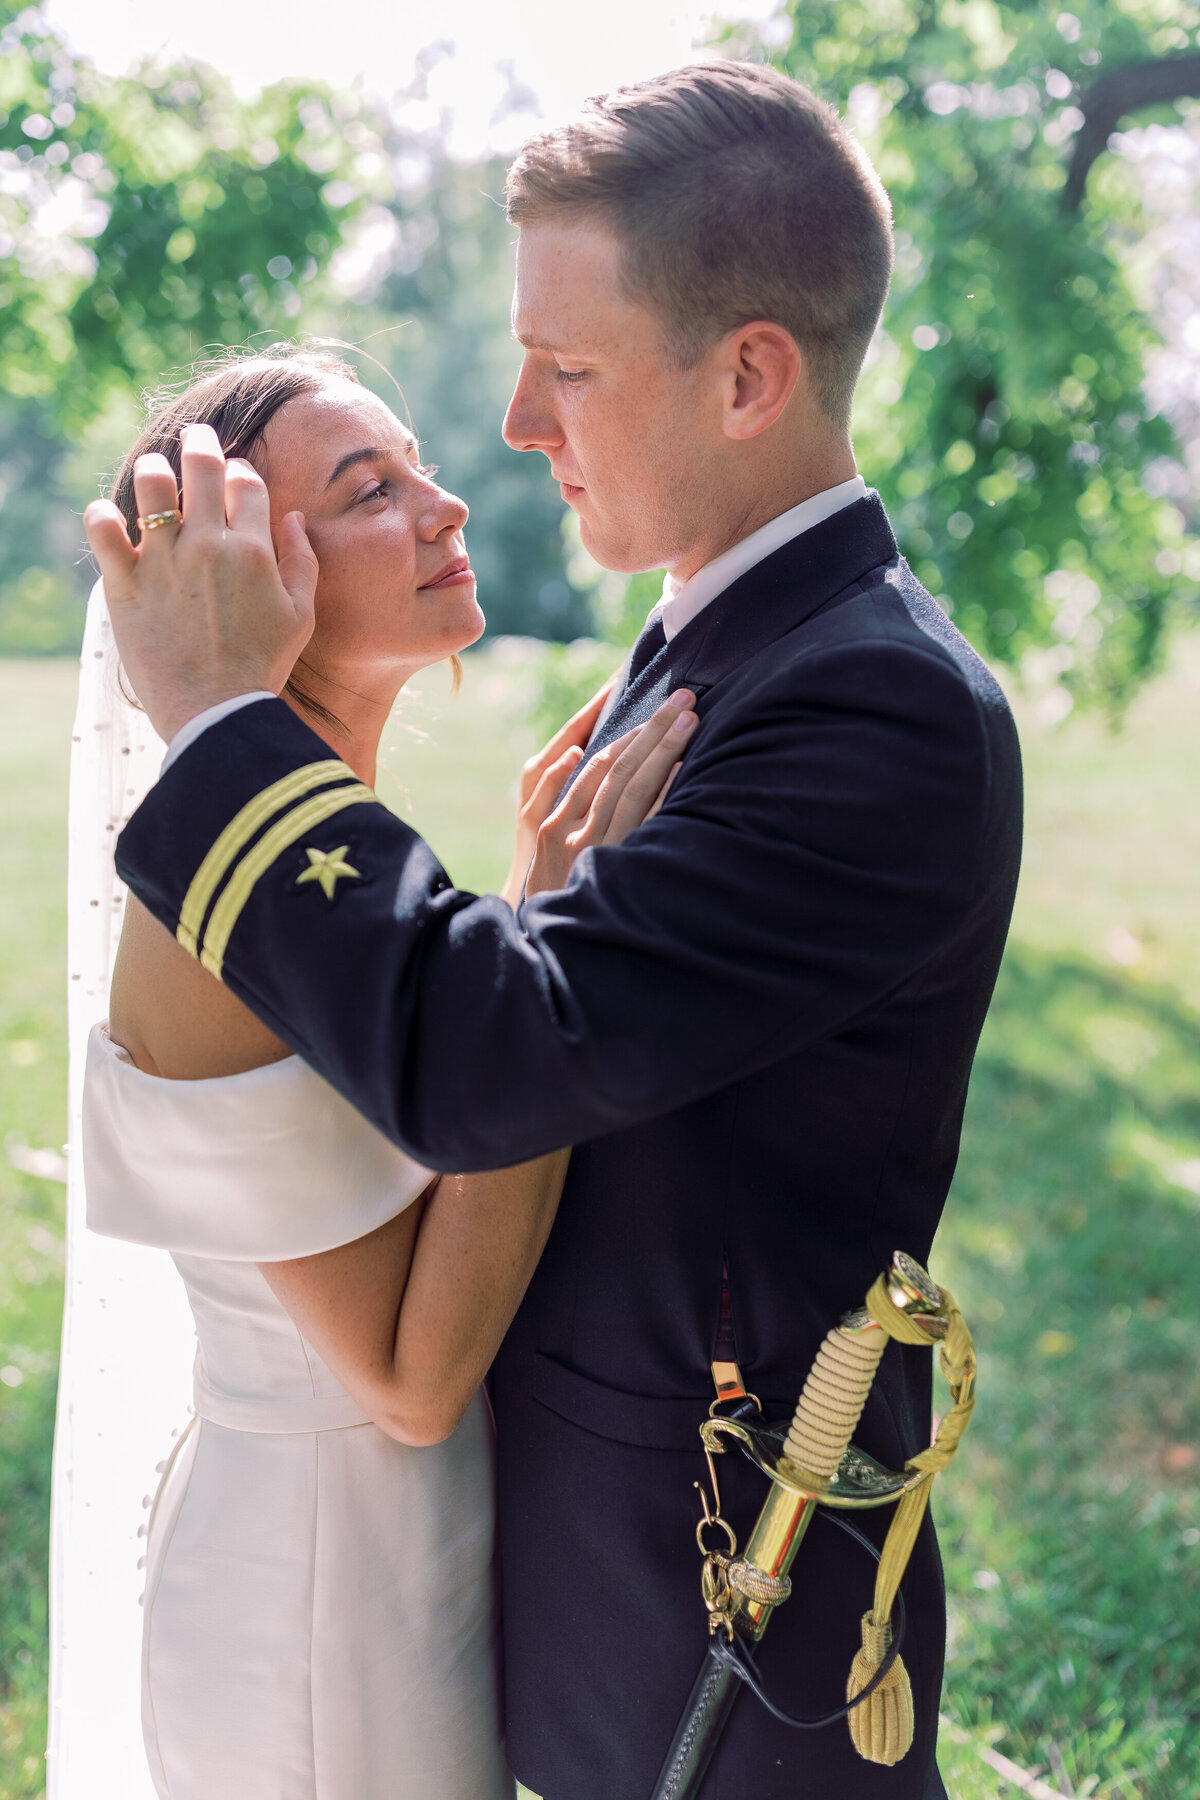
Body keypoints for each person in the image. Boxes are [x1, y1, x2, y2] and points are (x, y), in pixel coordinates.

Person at [85, 61, 1023, 1800]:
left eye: (566, 366)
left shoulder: (870, 706)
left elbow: (497, 1050)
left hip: (717, 1601)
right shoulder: (707, 651)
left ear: (750, 374)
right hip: (534, 1578)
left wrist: (226, 728)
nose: (514, 427)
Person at [66, 346, 692, 1800]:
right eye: (370, 492)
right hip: (313, 1588)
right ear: (244, 576)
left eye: (416, 467)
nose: (447, 505)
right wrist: (558, 965)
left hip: (402, 1535)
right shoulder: (214, 918)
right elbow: (407, 1376)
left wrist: (535, 916)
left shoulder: (331, 846)